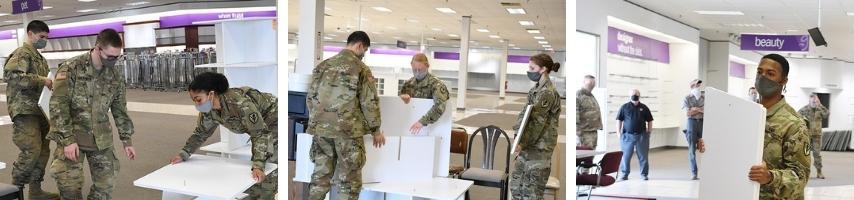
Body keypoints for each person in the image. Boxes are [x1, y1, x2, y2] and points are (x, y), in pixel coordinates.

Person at [46, 29, 137, 199]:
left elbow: (120, 109)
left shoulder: (114, 75)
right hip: (73, 138)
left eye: (117, 57)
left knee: (106, 186)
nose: (113, 61)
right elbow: (58, 107)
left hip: (101, 139)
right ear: (97, 48)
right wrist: (67, 141)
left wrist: (127, 140)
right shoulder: (71, 68)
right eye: (110, 56)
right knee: (69, 187)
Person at [169, 72, 278, 199]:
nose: (197, 105)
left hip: (274, 120)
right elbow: (201, 133)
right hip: (260, 127)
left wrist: (258, 165)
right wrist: (184, 153)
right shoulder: (208, 110)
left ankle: (265, 195)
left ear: (211, 94)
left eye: (198, 99)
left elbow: (259, 133)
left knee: (267, 166)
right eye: (194, 101)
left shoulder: (239, 104)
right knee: (256, 172)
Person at [306, 31, 386, 200]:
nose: (363, 54)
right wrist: (376, 130)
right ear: (359, 46)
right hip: (348, 132)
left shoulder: (322, 66)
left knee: (320, 177)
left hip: (321, 131)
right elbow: (369, 101)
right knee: (349, 182)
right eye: (364, 50)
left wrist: (319, 120)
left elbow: (311, 98)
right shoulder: (361, 69)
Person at [5, 20, 60, 199]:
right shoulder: (22, 54)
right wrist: (42, 80)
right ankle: (14, 190)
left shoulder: (39, 57)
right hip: (25, 111)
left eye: (46, 37)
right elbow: (12, 76)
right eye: (41, 36)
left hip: (40, 111)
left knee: (43, 151)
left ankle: (35, 190)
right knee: (31, 150)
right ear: (30, 34)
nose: (44, 40)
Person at [747, 53, 810, 199]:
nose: (763, 77)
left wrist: (770, 177)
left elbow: (801, 177)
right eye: (759, 72)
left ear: (783, 80)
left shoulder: (794, 124)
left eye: (770, 73)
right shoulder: (747, 114)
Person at [510, 54, 561, 200]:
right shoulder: (536, 89)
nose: (529, 71)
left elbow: (537, 123)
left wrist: (522, 142)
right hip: (527, 147)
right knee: (517, 188)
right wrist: (518, 137)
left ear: (543, 69)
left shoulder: (547, 93)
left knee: (531, 193)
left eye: (532, 68)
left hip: (539, 150)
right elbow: (524, 116)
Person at [398, 53, 449, 135]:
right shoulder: (408, 84)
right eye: (414, 70)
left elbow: (440, 107)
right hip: (409, 128)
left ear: (427, 66)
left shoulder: (436, 84)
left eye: (420, 69)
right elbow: (399, 107)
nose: (417, 72)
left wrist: (422, 122)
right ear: (411, 66)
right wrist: (402, 99)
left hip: (430, 129)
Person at [617, 89, 654, 181]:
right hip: (627, 136)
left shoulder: (644, 107)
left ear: (639, 95)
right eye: (633, 94)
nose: (635, 95)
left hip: (642, 136)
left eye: (636, 94)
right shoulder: (624, 107)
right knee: (625, 156)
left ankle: (644, 174)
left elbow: (650, 120)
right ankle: (624, 174)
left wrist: (649, 132)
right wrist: (618, 133)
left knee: (643, 156)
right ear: (629, 96)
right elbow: (619, 120)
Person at [798, 93, 828, 179]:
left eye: (816, 100)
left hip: (817, 136)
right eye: (813, 100)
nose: (814, 102)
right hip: (807, 136)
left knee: (817, 154)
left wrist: (820, 105)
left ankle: (819, 172)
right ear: (809, 100)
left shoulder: (820, 109)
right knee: (805, 154)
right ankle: (804, 172)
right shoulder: (804, 109)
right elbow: (797, 117)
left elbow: (827, 114)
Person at [682, 79, 705, 180]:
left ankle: (708, 171)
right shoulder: (687, 98)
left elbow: (707, 110)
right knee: (692, 149)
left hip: (703, 122)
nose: (698, 86)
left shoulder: (704, 97)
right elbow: (688, 113)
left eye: (699, 84)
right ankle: (694, 173)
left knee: (705, 147)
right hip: (691, 123)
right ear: (691, 86)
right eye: (696, 84)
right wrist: (700, 109)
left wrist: (694, 109)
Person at [576, 75, 602, 149]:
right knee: (584, 156)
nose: (592, 84)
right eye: (590, 82)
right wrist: (578, 134)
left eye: (593, 83)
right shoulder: (578, 95)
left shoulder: (591, 96)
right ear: (584, 82)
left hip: (593, 132)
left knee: (591, 156)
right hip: (584, 133)